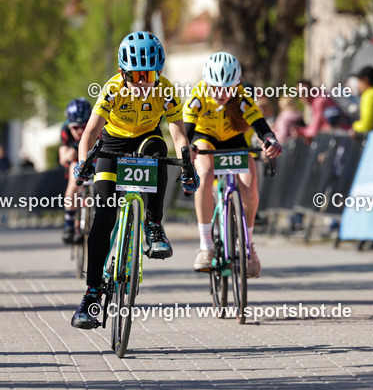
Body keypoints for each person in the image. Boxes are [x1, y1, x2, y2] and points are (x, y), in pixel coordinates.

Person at [70, 31, 199, 328]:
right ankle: (91, 295)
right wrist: (82, 162)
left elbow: (179, 133)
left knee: (160, 149)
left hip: (146, 140)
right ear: (121, 72)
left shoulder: (165, 90)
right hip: (112, 145)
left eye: (150, 75)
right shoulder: (112, 89)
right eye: (136, 76)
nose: (143, 83)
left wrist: (188, 165)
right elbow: (90, 133)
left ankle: (154, 225)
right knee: (103, 217)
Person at [185, 52, 283, 277]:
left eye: (227, 88)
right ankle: (206, 245)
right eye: (215, 88)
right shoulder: (198, 95)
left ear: (237, 84)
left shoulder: (241, 97)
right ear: (207, 83)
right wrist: (186, 151)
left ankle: (248, 246)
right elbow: (188, 129)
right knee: (206, 172)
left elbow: (260, 125)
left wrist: (271, 141)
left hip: (234, 140)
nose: (221, 93)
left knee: (250, 186)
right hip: (205, 138)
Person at [59, 98, 92, 245]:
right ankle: (69, 222)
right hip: (76, 162)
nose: (80, 131)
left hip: (93, 159)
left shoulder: (98, 126)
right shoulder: (65, 130)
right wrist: (69, 154)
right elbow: (62, 156)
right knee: (73, 174)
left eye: (84, 126)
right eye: (75, 127)